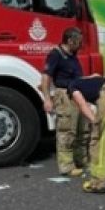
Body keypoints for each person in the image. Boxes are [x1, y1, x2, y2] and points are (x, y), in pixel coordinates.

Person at [41, 27, 88, 176]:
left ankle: (81, 159)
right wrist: (47, 99)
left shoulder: (73, 54)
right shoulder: (56, 55)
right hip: (65, 96)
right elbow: (46, 77)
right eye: (78, 42)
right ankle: (67, 167)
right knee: (66, 132)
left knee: (82, 130)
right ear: (70, 41)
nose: (81, 45)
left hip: (77, 95)